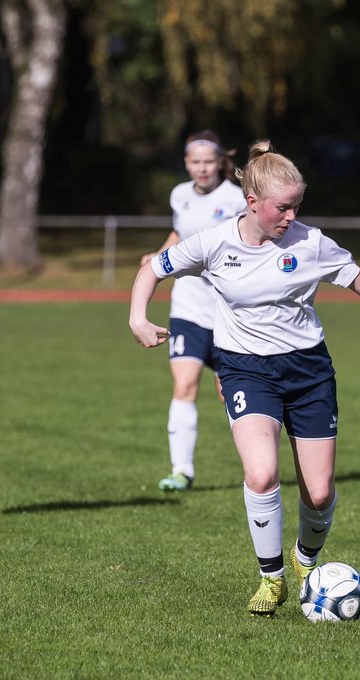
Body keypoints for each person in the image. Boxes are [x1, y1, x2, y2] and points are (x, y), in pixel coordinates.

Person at [129, 140, 360, 616]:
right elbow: (152, 270)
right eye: (282, 207)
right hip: (245, 368)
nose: (291, 216)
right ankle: (272, 579)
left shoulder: (311, 243)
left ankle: (306, 561)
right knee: (262, 472)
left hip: (308, 371)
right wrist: (138, 319)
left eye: (296, 206)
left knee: (321, 491)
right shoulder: (213, 242)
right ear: (252, 203)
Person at [140, 131, 248, 492]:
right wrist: (159, 256)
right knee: (184, 384)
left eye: (208, 161)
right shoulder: (179, 195)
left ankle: (256, 468)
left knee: (228, 392)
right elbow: (179, 234)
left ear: (220, 162)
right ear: (186, 163)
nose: (202, 168)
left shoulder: (235, 199)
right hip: (187, 305)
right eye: (195, 162)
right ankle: (181, 470)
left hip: (227, 310)